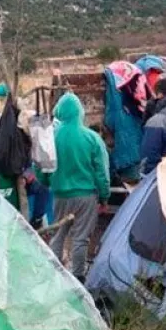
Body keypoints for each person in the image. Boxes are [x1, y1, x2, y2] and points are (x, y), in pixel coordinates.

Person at [44, 92, 111, 282]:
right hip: (86, 196)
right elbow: (101, 172)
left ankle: (55, 277)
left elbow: (40, 167)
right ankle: (78, 277)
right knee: (80, 238)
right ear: (79, 113)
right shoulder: (92, 138)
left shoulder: (50, 137)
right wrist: (104, 196)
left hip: (59, 195)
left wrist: (48, 182)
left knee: (58, 235)